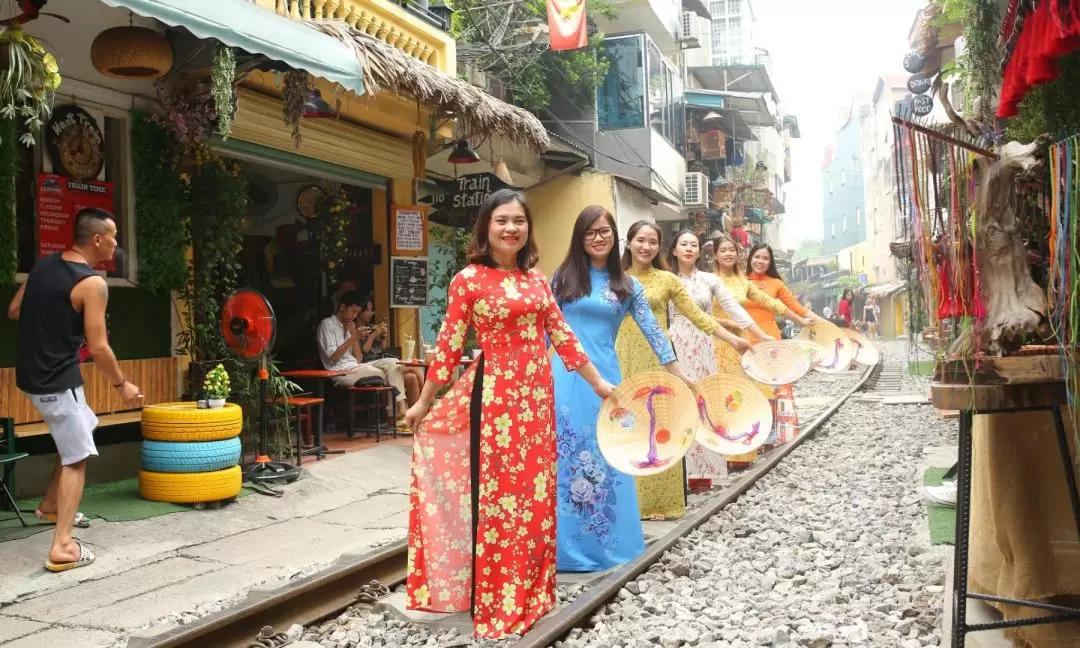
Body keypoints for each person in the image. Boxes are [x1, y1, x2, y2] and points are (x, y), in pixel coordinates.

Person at [401, 189, 614, 639]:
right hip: (495, 400)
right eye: (502, 220)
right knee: (501, 501)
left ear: (528, 229)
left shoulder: (537, 281)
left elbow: (562, 335)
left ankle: (533, 594)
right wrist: (425, 400)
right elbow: (450, 345)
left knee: (535, 498)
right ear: (485, 228)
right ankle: (499, 599)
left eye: (519, 220)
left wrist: (599, 384)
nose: (511, 228)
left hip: (536, 401)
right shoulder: (468, 280)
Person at [550, 206, 693, 572]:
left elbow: (656, 335)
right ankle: (564, 551)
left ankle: (608, 546)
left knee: (608, 455)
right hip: (563, 379)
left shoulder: (627, 286)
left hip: (607, 381)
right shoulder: (562, 278)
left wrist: (679, 375)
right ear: (579, 237)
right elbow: (542, 330)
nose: (599, 238)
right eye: (591, 232)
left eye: (605, 231)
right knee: (565, 458)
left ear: (616, 238)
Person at [7, 207, 142, 572]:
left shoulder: (43, 267)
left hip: (33, 376)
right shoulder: (92, 284)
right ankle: (62, 547)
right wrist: (123, 385)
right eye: (113, 236)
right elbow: (99, 348)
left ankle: (50, 505)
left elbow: (16, 310)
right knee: (77, 458)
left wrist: (54, 320)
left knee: (85, 426)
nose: (116, 244)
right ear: (97, 239)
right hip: (56, 381)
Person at [616, 220, 751, 521]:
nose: (645, 246)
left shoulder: (667, 280)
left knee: (659, 423)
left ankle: (661, 503)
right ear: (628, 243)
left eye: (652, 241)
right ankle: (630, 504)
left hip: (659, 357)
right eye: (640, 240)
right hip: (622, 355)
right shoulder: (616, 279)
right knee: (627, 423)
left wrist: (734, 339)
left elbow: (698, 317)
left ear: (660, 247)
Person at [667, 229, 772, 492]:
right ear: (674, 250)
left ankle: (705, 471)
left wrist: (760, 335)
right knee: (679, 403)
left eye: (693, 245)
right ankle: (680, 471)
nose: (689, 249)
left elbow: (736, 309)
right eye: (684, 244)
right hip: (675, 344)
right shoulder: (666, 279)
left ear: (700, 250)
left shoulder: (709, 280)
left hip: (704, 343)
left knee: (705, 403)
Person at [711, 235, 805, 470]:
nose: (728, 254)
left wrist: (804, 319)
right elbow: (699, 312)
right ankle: (717, 453)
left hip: (744, 343)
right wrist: (733, 326)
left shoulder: (743, 283)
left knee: (741, 396)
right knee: (717, 396)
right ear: (715, 255)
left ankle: (742, 452)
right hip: (717, 342)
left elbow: (775, 304)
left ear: (738, 254)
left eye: (732, 250)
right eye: (723, 250)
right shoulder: (709, 280)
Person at [745, 243, 821, 450]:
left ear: (770, 262)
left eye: (765, 258)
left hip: (769, 340)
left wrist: (823, 323)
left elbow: (796, 308)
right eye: (757, 257)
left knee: (770, 387)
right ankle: (748, 433)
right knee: (748, 388)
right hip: (743, 340)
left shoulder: (776, 284)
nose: (760, 261)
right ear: (750, 258)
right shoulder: (739, 281)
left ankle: (769, 434)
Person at [316, 291, 407, 421]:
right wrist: (354, 337)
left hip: (356, 367)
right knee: (387, 373)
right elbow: (333, 357)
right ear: (342, 308)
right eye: (353, 312)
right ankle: (399, 411)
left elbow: (358, 359)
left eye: (357, 313)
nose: (354, 316)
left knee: (394, 363)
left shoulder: (349, 326)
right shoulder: (327, 325)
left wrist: (354, 335)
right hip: (340, 373)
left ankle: (402, 407)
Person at [356, 298, 424, 406]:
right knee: (414, 365)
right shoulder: (356, 330)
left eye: (371, 310)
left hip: (382, 363)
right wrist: (373, 335)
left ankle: (414, 415)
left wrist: (383, 337)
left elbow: (383, 349)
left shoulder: (372, 327)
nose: (370, 313)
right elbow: (363, 351)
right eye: (367, 310)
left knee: (411, 377)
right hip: (369, 365)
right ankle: (429, 399)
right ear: (359, 312)